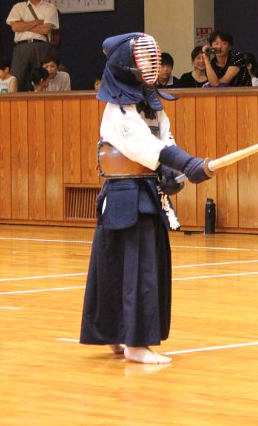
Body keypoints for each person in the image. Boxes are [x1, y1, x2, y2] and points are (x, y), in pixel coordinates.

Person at [81, 32, 213, 365]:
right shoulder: (118, 109)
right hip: (123, 195)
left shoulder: (152, 106)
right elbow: (144, 146)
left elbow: (165, 141)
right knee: (128, 267)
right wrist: (187, 163)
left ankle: (118, 334)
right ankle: (134, 343)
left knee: (133, 266)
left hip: (147, 192)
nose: (148, 68)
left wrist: (175, 173)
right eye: (142, 61)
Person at [6, 0, 59, 91]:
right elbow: (14, 27)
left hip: (41, 46)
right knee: (17, 79)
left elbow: (46, 30)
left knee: (42, 80)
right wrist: (36, 22)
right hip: (22, 47)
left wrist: (23, 25)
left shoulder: (50, 7)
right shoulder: (18, 7)